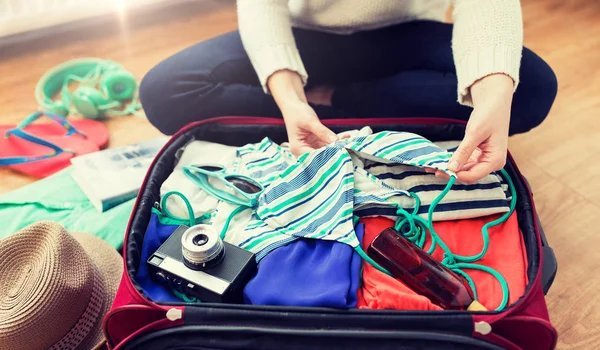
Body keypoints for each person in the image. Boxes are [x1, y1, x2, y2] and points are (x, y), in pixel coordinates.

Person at [139, 0, 557, 183]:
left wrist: (491, 91)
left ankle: (332, 103)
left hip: (404, 35)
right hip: (308, 37)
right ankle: (340, 112)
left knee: (528, 89)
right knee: (163, 91)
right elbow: (261, 4)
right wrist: (290, 97)